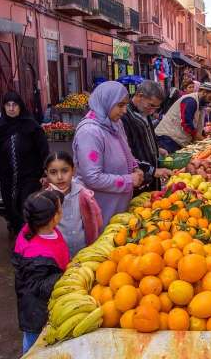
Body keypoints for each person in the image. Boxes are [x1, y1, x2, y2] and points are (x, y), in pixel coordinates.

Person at [72, 81, 144, 226]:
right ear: (106, 101)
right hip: (100, 207)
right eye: (120, 105)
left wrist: (135, 166)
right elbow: (92, 177)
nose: (124, 111)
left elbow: (125, 150)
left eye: (125, 105)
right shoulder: (90, 132)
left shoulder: (114, 123)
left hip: (117, 205)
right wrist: (129, 180)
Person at [12, 190, 69, 354]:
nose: (62, 209)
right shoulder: (35, 254)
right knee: (34, 344)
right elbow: (38, 286)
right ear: (54, 218)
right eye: (60, 208)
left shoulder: (38, 228)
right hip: (36, 311)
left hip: (43, 301)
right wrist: (63, 276)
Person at [0, 91, 49, 236]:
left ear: (20, 106)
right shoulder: (1, 125)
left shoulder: (31, 125)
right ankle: (17, 232)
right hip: (7, 177)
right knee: (10, 206)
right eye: (8, 105)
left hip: (30, 175)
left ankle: (27, 236)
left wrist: (45, 173)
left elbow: (43, 150)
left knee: (25, 205)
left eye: (14, 105)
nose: (11, 108)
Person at [45, 151, 103, 257]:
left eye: (65, 171)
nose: (59, 177)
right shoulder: (45, 200)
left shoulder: (84, 196)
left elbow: (97, 221)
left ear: (73, 170)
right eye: (53, 172)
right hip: (56, 257)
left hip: (84, 253)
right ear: (46, 173)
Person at [122, 80, 173, 193]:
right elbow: (126, 153)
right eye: (151, 105)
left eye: (156, 108)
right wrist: (153, 171)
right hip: (138, 180)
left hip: (151, 178)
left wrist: (157, 149)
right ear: (140, 96)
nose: (153, 111)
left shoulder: (145, 111)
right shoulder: (125, 117)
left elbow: (144, 138)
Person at [155, 81, 211, 153]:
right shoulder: (190, 101)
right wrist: (201, 138)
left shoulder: (200, 104)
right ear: (204, 93)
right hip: (167, 138)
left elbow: (197, 124)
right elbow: (186, 124)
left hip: (176, 139)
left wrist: (203, 135)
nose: (210, 101)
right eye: (210, 98)